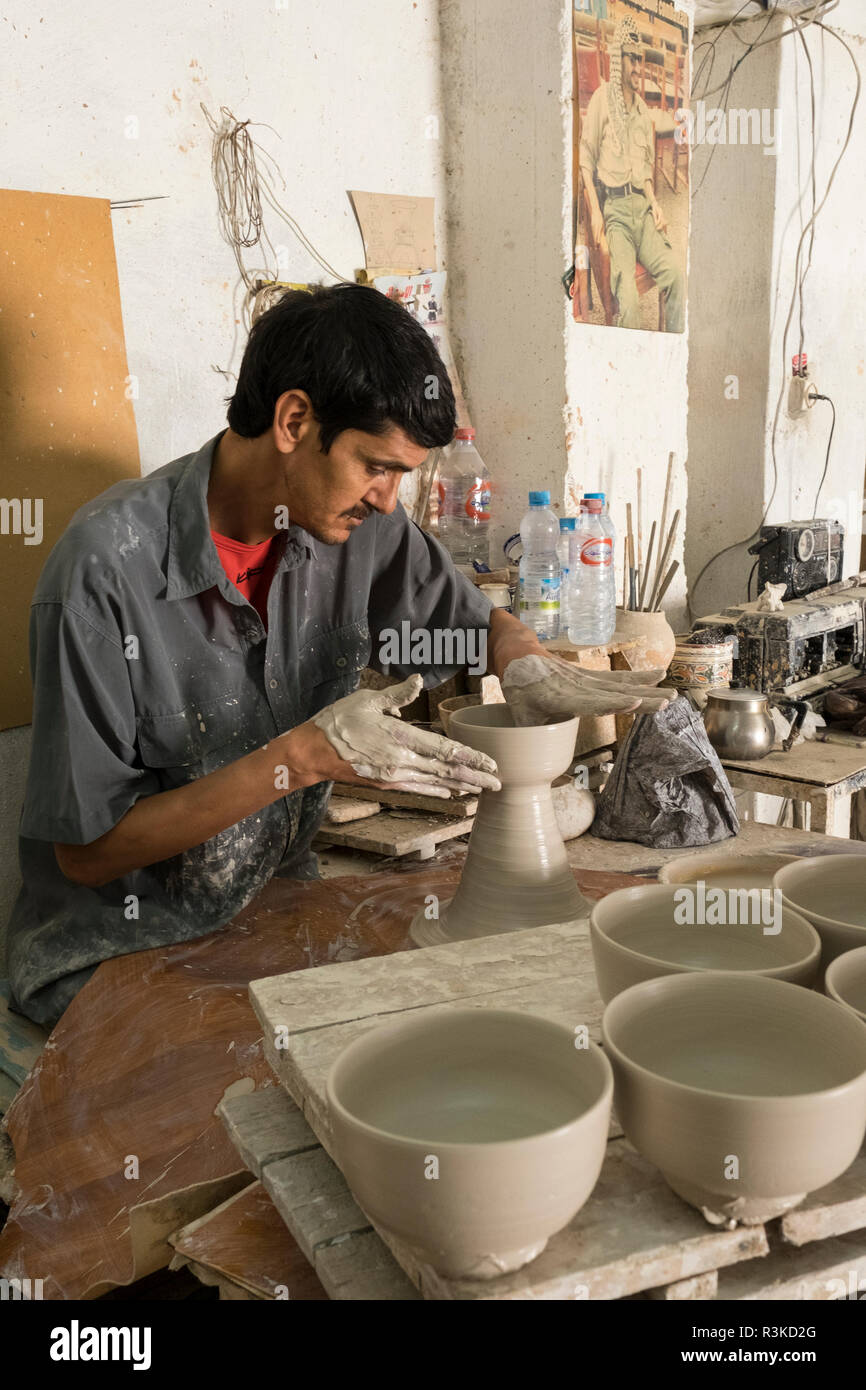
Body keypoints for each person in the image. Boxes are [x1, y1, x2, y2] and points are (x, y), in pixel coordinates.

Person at [5, 282, 665, 1027]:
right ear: (293, 420)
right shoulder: (104, 572)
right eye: (376, 466)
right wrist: (304, 757)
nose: (387, 499)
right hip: (121, 946)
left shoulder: (357, 528)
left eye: (401, 476)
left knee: (445, 1024)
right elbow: (87, 856)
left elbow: (464, 625)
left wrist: (519, 656)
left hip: (273, 907)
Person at [579, 16, 684, 333]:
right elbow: (585, 157)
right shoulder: (601, 100)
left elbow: (645, 172)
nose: (638, 67)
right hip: (617, 214)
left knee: (678, 277)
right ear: (618, 60)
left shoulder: (642, 112)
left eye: (641, 60)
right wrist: (596, 212)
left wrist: (655, 203)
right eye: (632, 59)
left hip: (642, 211)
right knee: (631, 307)